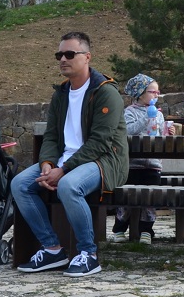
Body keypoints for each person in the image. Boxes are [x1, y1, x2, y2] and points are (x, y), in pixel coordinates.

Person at [12, 31, 128, 278]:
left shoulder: (106, 93)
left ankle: (89, 254)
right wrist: (47, 164)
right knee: (20, 184)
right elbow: (52, 136)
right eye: (59, 55)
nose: (63, 59)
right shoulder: (61, 94)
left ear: (87, 57)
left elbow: (101, 142)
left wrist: (62, 170)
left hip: (104, 161)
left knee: (68, 186)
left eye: (69, 54)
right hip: (65, 162)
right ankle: (53, 249)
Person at [115, 73, 176, 242]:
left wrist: (168, 133)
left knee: (150, 199)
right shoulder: (130, 112)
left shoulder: (159, 114)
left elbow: (159, 135)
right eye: (153, 92)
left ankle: (146, 231)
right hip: (133, 165)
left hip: (153, 165)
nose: (157, 95)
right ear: (141, 94)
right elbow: (127, 131)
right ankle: (119, 229)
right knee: (127, 198)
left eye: (158, 93)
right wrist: (146, 119)